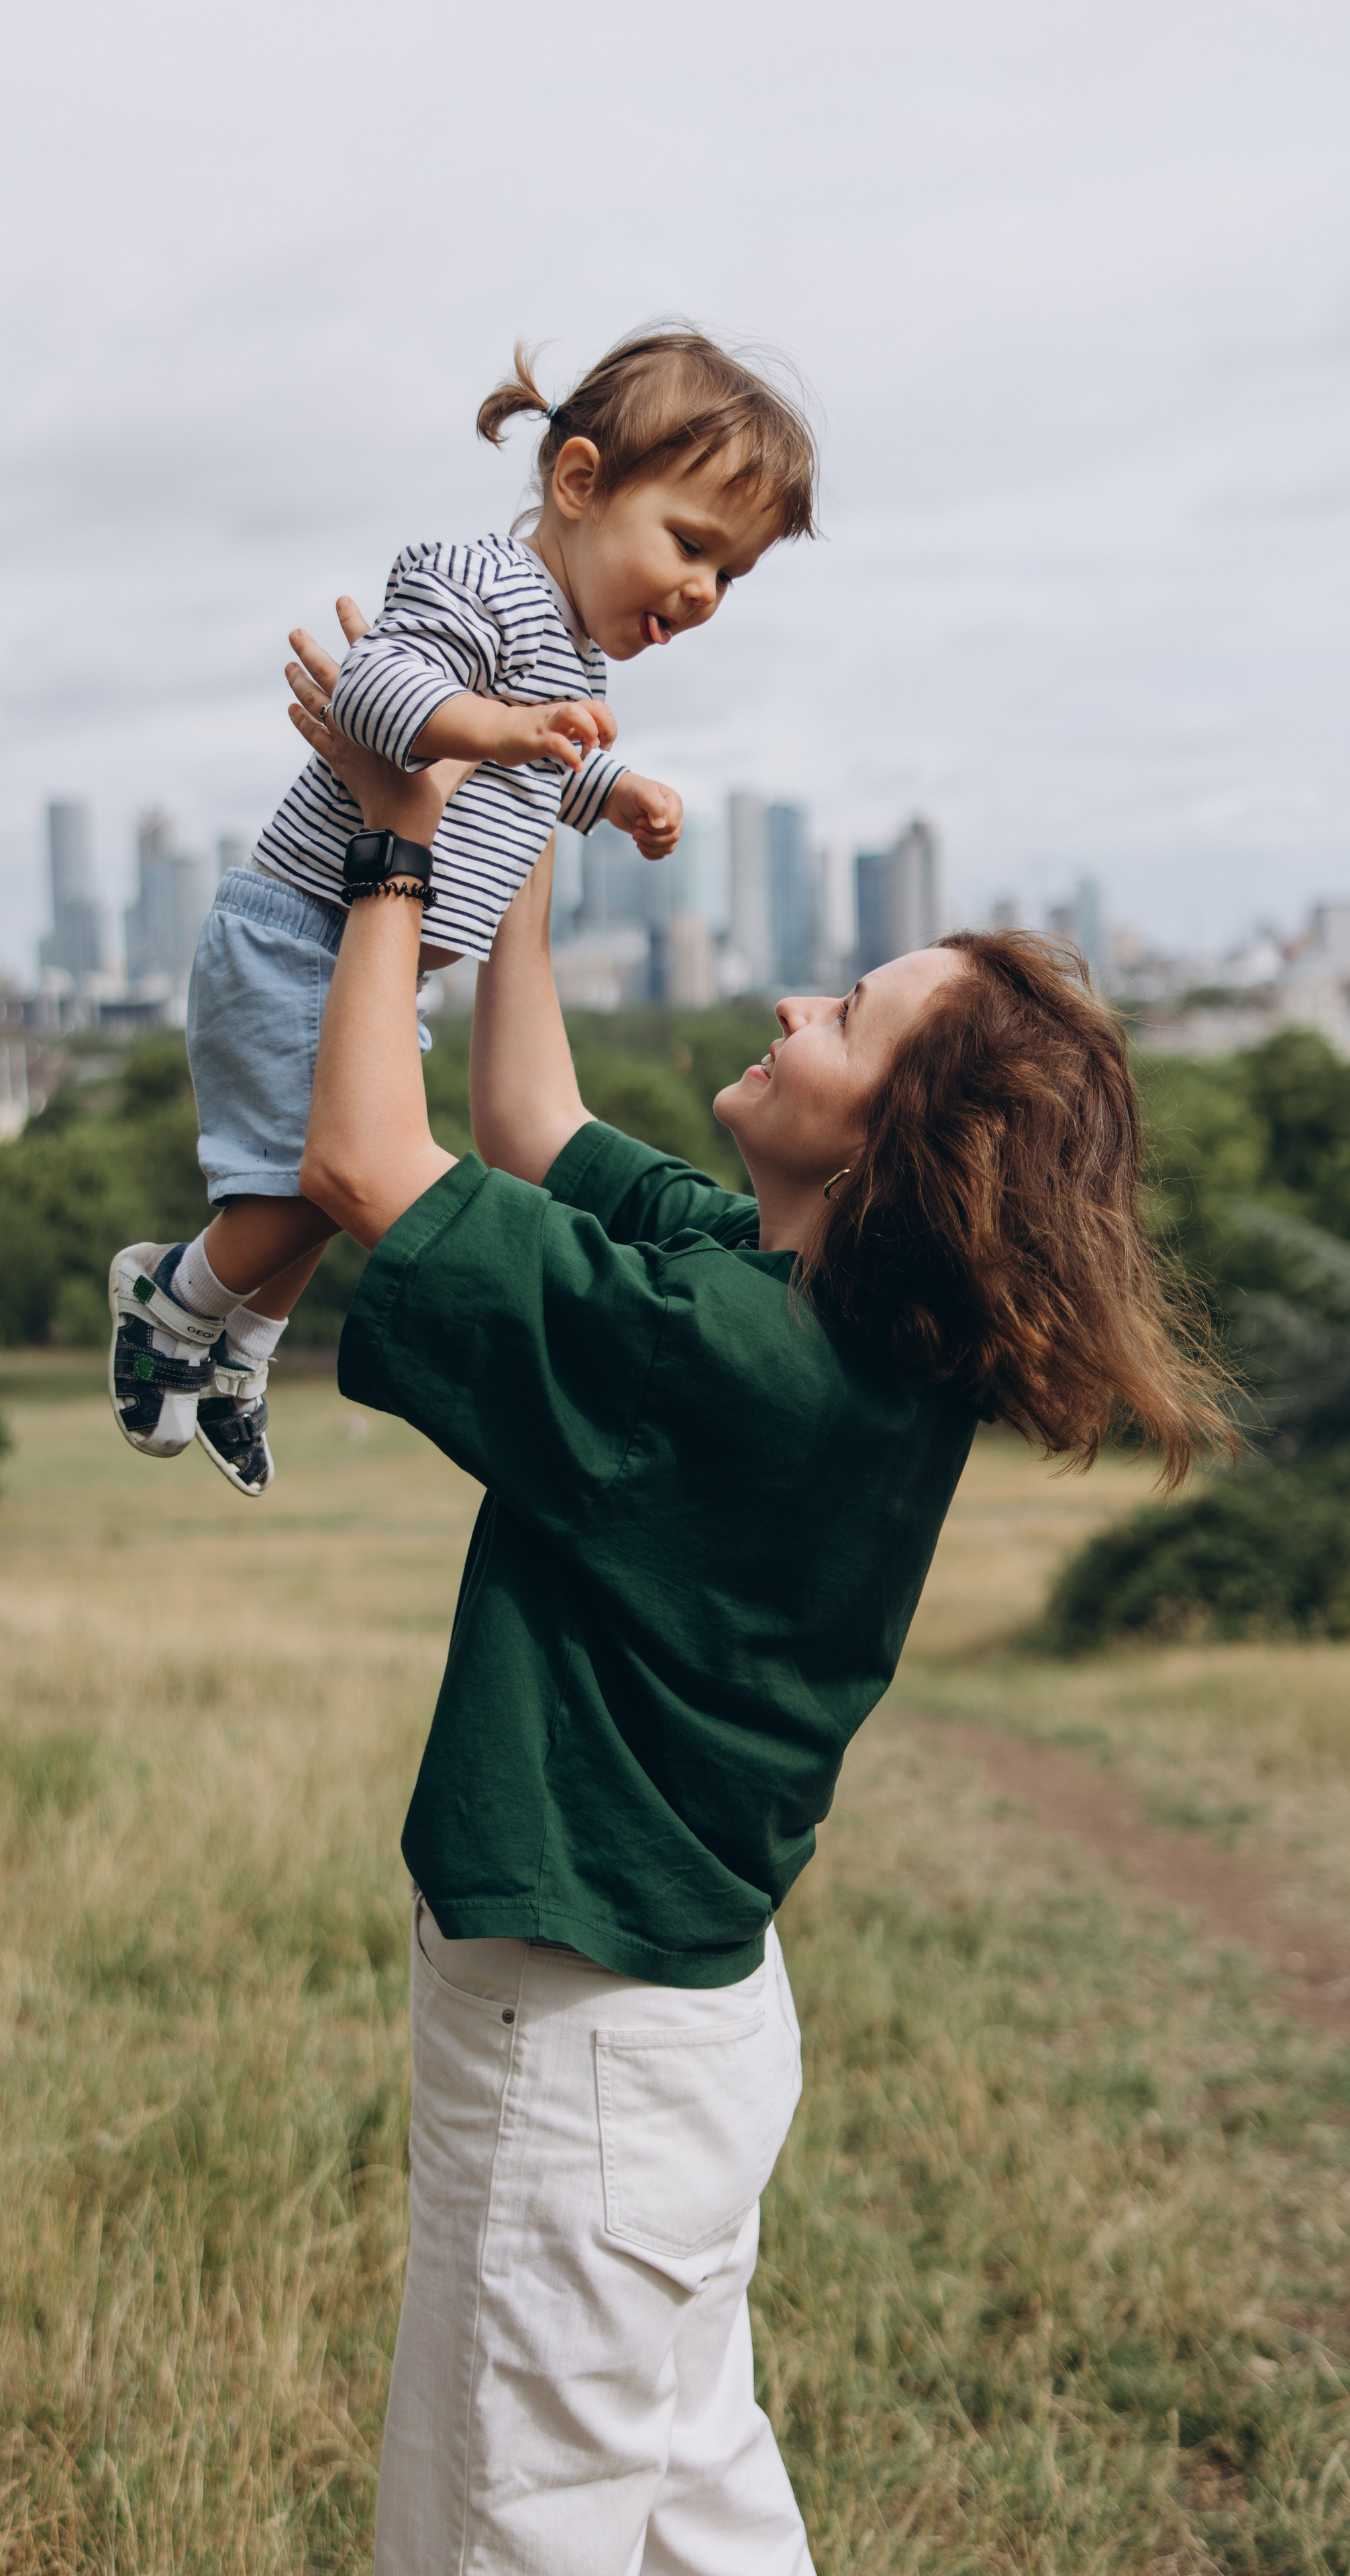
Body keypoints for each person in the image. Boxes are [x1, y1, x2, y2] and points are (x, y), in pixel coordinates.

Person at [276, 610, 1231, 2576]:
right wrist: (523, 802)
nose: (798, 1005)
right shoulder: (830, 1311)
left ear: (890, 1141)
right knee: (692, 2508)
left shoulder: (723, 1348)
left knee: (503, 2536)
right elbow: (530, 1128)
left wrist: (394, 832)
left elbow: (373, 1161)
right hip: (688, 2029)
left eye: (847, 1019)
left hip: (581, 2052)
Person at [105, 325, 817, 1495]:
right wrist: (510, 730)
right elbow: (384, 690)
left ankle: (240, 1352)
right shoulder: (476, 576)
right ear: (579, 482)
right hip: (303, 933)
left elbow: (536, 761)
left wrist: (607, 789)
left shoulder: (577, 662)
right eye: (691, 545)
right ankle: (169, 1296)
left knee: (331, 1186)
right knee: (312, 1180)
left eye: (730, 573)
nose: (702, 591)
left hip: (383, 962)